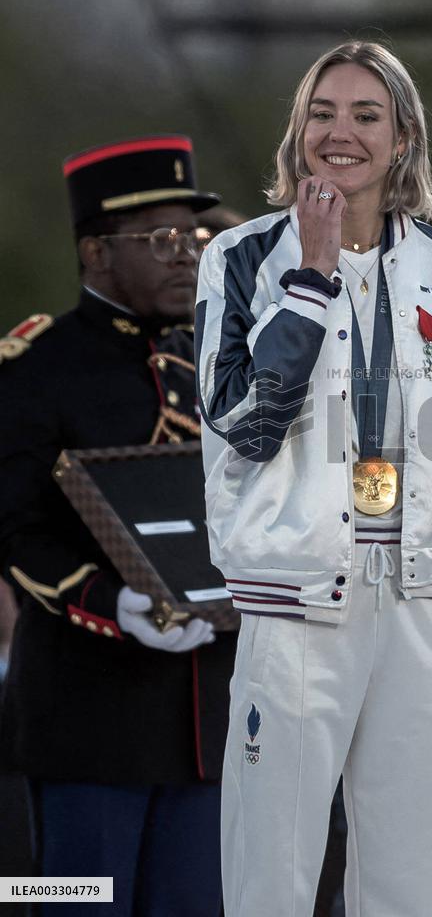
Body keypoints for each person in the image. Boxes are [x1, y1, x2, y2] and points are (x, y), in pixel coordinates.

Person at [195, 40, 432, 917]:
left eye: (366, 115)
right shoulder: (239, 257)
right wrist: (309, 274)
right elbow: (242, 425)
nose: (341, 133)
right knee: (271, 879)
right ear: (298, 130)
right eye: (322, 112)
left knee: (404, 887)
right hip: (296, 596)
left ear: (404, 137)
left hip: (425, 604)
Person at [0, 135, 237, 916]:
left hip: (209, 724)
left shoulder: (220, 364)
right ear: (97, 253)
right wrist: (116, 605)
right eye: (163, 241)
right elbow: (15, 531)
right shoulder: (36, 369)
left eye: (197, 240)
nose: (188, 257)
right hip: (84, 725)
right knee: (73, 906)